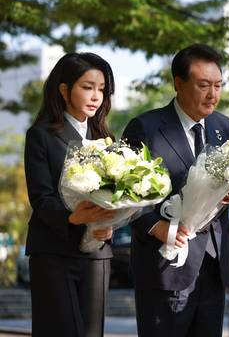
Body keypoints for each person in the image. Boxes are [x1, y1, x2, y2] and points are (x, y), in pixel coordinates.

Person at [122, 43, 229, 337]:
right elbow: (125, 192)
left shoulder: (224, 126)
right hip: (165, 263)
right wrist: (155, 225)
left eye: (218, 85)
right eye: (203, 85)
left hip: (214, 263)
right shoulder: (146, 127)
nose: (213, 94)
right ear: (178, 84)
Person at [24, 52, 116, 337]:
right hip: (54, 251)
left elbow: (117, 196)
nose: (96, 96)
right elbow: (41, 199)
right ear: (64, 90)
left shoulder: (107, 140)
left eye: (101, 89)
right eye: (87, 87)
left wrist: (111, 221)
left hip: (97, 255)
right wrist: (75, 217)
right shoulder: (41, 135)